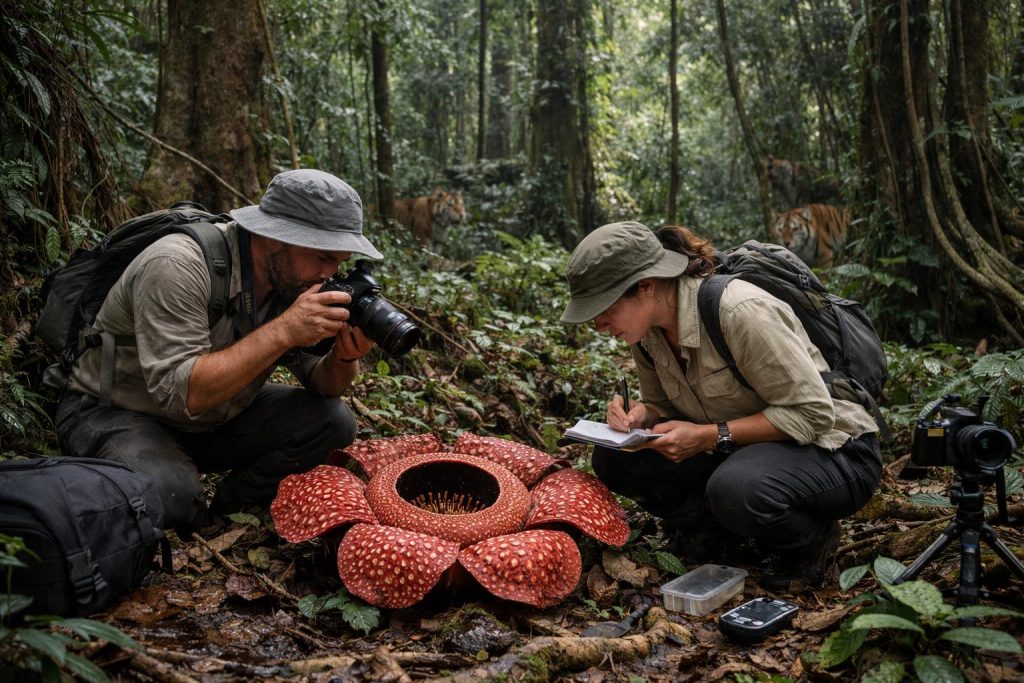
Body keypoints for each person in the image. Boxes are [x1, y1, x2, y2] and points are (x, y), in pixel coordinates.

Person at [55, 169, 381, 532]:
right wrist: (285, 330)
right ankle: (180, 493)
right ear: (276, 238)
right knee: (170, 496)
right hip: (117, 409)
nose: (329, 274)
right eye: (322, 257)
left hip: (213, 417)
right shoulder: (178, 264)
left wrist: (344, 357)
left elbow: (323, 385)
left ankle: (229, 511)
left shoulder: (292, 280)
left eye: (338, 261)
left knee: (333, 422)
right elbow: (183, 395)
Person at [560, 221, 882, 588]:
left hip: (835, 450)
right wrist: (644, 414)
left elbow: (814, 414)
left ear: (646, 287)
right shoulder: (645, 332)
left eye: (605, 309)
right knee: (614, 458)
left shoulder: (740, 310)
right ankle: (716, 535)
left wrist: (710, 436)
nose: (600, 324)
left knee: (736, 487)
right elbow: (664, 403)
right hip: (743, 447)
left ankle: (808, 543)